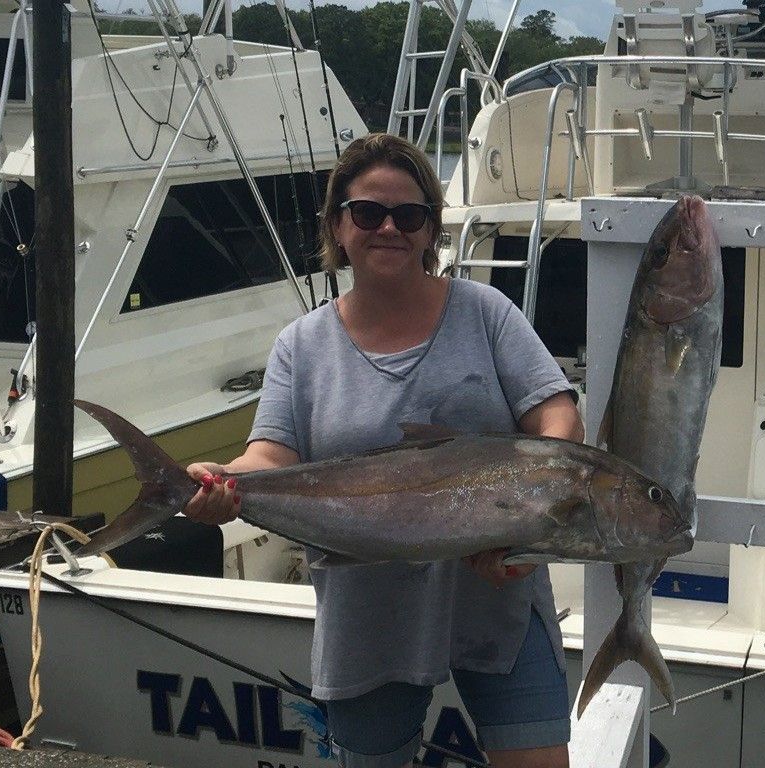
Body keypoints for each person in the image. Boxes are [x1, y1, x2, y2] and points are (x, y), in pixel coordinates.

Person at [183, 133, 581, 768]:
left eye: (410, 215)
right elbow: (270, 460)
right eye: (368, 213)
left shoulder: (487, 313)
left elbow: (556, 415)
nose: (389, 228)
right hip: (367, 612)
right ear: (338, 226)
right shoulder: (301, 345)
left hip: (496, 594)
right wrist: (218, 481)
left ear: (430, 230)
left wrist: (524, 523)